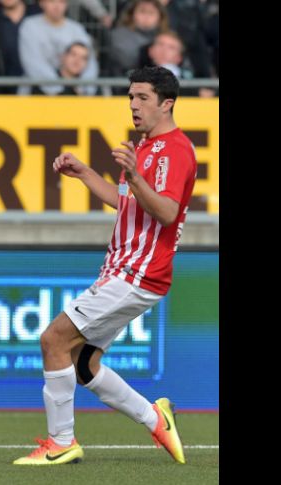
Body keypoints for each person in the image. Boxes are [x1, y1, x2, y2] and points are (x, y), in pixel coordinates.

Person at [14, 65, 194, 466]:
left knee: (53, 340)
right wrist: (85, 175)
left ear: (167, 104)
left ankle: (61, 442)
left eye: (142, 97)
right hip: (123, 269)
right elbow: (127, 201)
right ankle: (155, 417)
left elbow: (166, 211)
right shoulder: (144, 146)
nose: (133, 105)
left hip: (138, 273)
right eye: (130, 96)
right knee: (84, 364)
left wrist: (134, 174)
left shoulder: (175, 150)